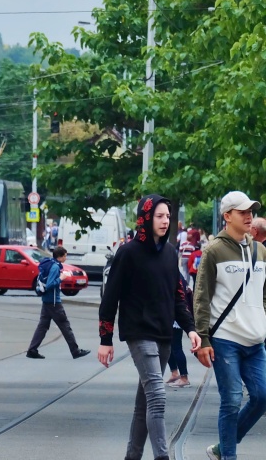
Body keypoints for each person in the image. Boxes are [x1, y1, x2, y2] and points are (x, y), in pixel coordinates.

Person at [99, 194, 200, 460]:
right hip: (139, 332)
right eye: (159, 215)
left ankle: (132, 456)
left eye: (167, 216)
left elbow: (178, 296)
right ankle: (162, 456)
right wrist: (105, 338)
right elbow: (111, 297)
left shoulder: (169, 254)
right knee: (157, 396)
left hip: (164, 334)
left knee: (143, 401)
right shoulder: (128, 252)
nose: (165, 220)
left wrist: (190, 329)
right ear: (146, 218)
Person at [193, 191, 266, 460]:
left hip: (256, 340)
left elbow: (264, 294)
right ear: (227, 216)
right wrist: (204, 339)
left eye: (251, 211)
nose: (249, 216)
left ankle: (223, 447)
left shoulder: (261, 250)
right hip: (225, 339)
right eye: (242, 212)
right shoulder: (214, 250)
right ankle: (229, 457)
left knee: (262, 397)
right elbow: (201, 297)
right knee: (232, 400)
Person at [26, 246, 89, 360]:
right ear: (60, 257)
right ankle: (75, 351)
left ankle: (32, 350)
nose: (66, 257)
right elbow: (50, 284)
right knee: (65, 326)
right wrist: (61, 278)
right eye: (65, 255)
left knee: (43, 326)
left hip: (47, 300)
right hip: (54, 302)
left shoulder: (51, 263)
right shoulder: (55, 267)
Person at [166, 284, 194, 389]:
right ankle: (174, 373)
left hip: (175, 316)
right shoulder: (174, 273)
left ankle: (184, 377)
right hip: (171, 315)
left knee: (176, 347)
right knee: (168, 346)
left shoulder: (175, 275)